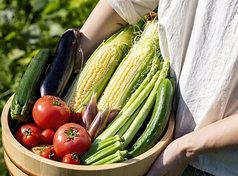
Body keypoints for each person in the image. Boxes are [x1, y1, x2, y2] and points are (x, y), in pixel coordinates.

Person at [76, 0, 238, 175]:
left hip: (220, 163)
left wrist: (184, 149)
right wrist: (71, 63)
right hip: (156, 135)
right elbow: (124, 3)